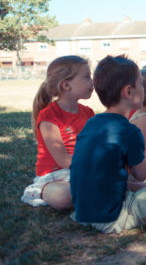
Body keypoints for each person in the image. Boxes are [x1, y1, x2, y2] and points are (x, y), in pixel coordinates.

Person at [70, 55, 146, 234]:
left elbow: (106, 177)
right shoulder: (129, 130)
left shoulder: (92, 123)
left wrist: (140, 187)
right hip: (115, 217)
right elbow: (142, 174)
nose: (143, 88)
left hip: (83, 214)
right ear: (128, 92)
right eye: (140, 84)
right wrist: (143, 183)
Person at [21, 56, 95, 210]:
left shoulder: (88, 113)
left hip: (82, 170)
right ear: (66, 85)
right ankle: (40, 192)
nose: (91, 82)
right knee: (65, 196)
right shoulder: (49, 116)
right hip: (54, 178)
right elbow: (64, 160)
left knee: (116, 173)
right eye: (87, 77)